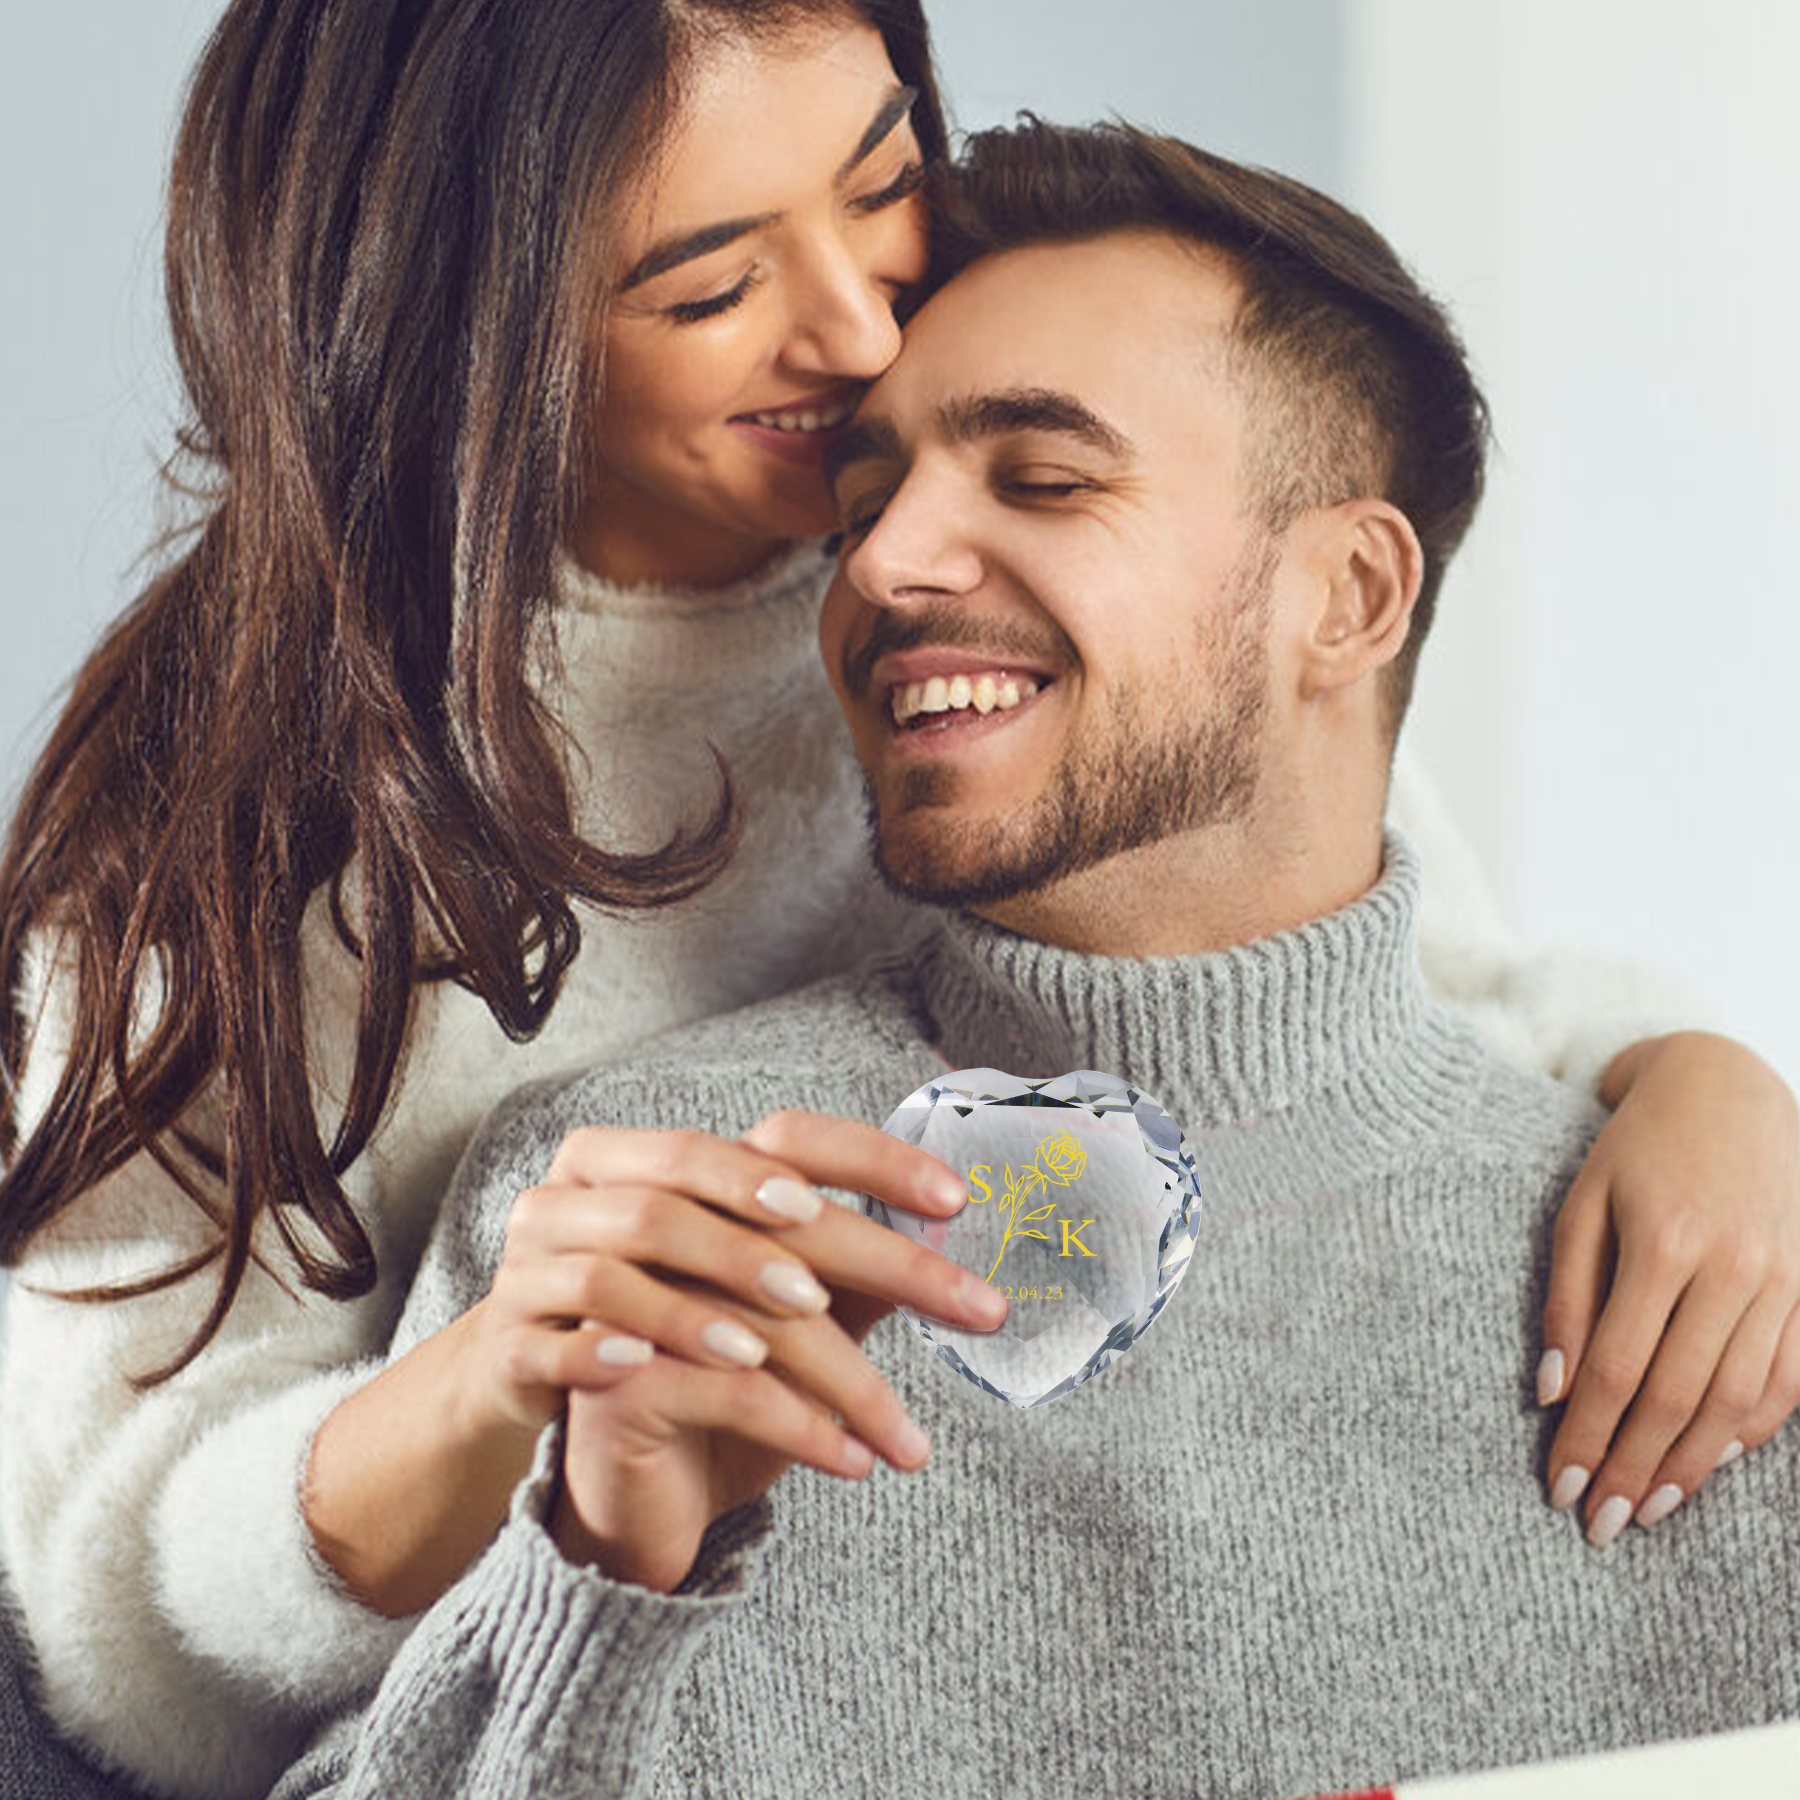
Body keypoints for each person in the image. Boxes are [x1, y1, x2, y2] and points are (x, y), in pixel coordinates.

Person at [0, 5, 1793, 1796]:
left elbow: (1384, 998)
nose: (862, 332)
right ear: (464, 332)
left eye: (882, 185)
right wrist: (519, 1409)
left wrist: (1704, 1084)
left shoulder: (1117, 626)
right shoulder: (242, 850)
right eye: (707, 288)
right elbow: (116, 1628)